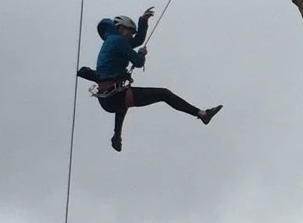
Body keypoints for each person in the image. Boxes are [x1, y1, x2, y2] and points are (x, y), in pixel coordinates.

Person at [77, 12, 222, 151]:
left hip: (108, 98)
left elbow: (138, 41)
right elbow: (138, 62)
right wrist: (141, 54)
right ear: (122, 29)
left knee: (123, 102)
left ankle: (117, 135)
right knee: (163, 94)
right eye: (130, 32)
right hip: (113, 95)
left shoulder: (112, 41)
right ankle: (202, 114)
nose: (131, 37)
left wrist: (143, 21)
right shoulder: (118, 41)